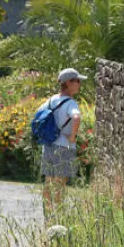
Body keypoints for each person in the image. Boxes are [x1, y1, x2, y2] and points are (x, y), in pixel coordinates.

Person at [38, 68, 86, 212]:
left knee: (48, 182)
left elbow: (38, 114)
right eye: (77, 81)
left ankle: (48, 213)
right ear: (68, 83)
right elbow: (76, 117)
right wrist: (72, 137)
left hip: (48, 145)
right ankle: (58, 215)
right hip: (64, 147)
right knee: (60, 184)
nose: (79, 84)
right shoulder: (71, 103)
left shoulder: (51, 100)